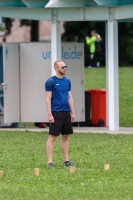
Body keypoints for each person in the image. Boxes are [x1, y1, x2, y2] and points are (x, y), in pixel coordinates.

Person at [45, 60, 75, 169]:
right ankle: (49, 162)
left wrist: (72, 112)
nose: (65, 68)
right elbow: (48, 99)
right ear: (57, 68)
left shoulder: (67, 81)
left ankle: (66, 161)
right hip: (56, 113)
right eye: (63, 67)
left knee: (65, 136)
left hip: (66, 112)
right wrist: (50, 114)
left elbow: (70, 97)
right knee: (52, 137)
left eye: (65, 66)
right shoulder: (50, 81)